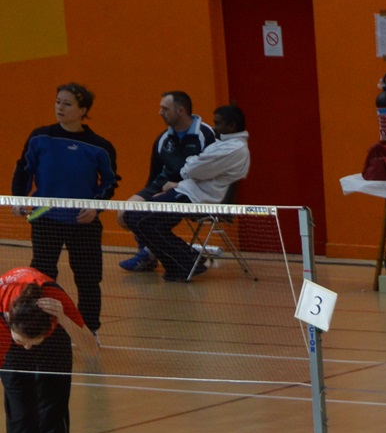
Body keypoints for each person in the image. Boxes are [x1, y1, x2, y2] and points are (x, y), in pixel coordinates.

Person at [11, 83, 118, 333]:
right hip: (46, 217)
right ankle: (39, 327)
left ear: (83, 110)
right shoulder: (40, 137)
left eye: (67, 104)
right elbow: (24, 169)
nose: (60, 107)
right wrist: (18, 197)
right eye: (58, 102)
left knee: (88, 278)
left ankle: (90, 330)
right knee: (42, 275)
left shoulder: (100, 147)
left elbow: (109, 182)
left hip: (83, 221)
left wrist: (96, 208)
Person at [2, 267, 95, 433]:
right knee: (21, 423)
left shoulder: (56, 300)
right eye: (24, 341)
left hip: (54, 342)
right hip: (8, 344)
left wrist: (63, 317)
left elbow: (91, 349)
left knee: (54, 407)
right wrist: (19, 341)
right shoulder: (3, 314)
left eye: (33, 342)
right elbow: (21, 343)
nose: (28, 347)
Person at [122, 105, 250, 282]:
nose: (214, 127)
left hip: (197, 199)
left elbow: (193, 169)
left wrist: (191, 165)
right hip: (187, 192)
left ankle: (186, 261)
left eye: (218, 123)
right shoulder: (223, 145)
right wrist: (190, 168)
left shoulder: (234, 149)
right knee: (132, 216)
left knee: (139, 219)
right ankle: (188, 258)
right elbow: (195, 167)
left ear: (232, 126)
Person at [119, 92, 217, 273]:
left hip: (192, 191)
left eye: (165, 109)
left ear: (180, 111)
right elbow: (154, 174)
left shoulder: (206, 135)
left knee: (147, 220)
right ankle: (149, 255)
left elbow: (215, 172)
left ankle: (156, 254)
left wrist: (178, 186)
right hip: (164, 186)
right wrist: (151, 196)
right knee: (124, 214)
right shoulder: (163, 139)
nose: (160, 112)